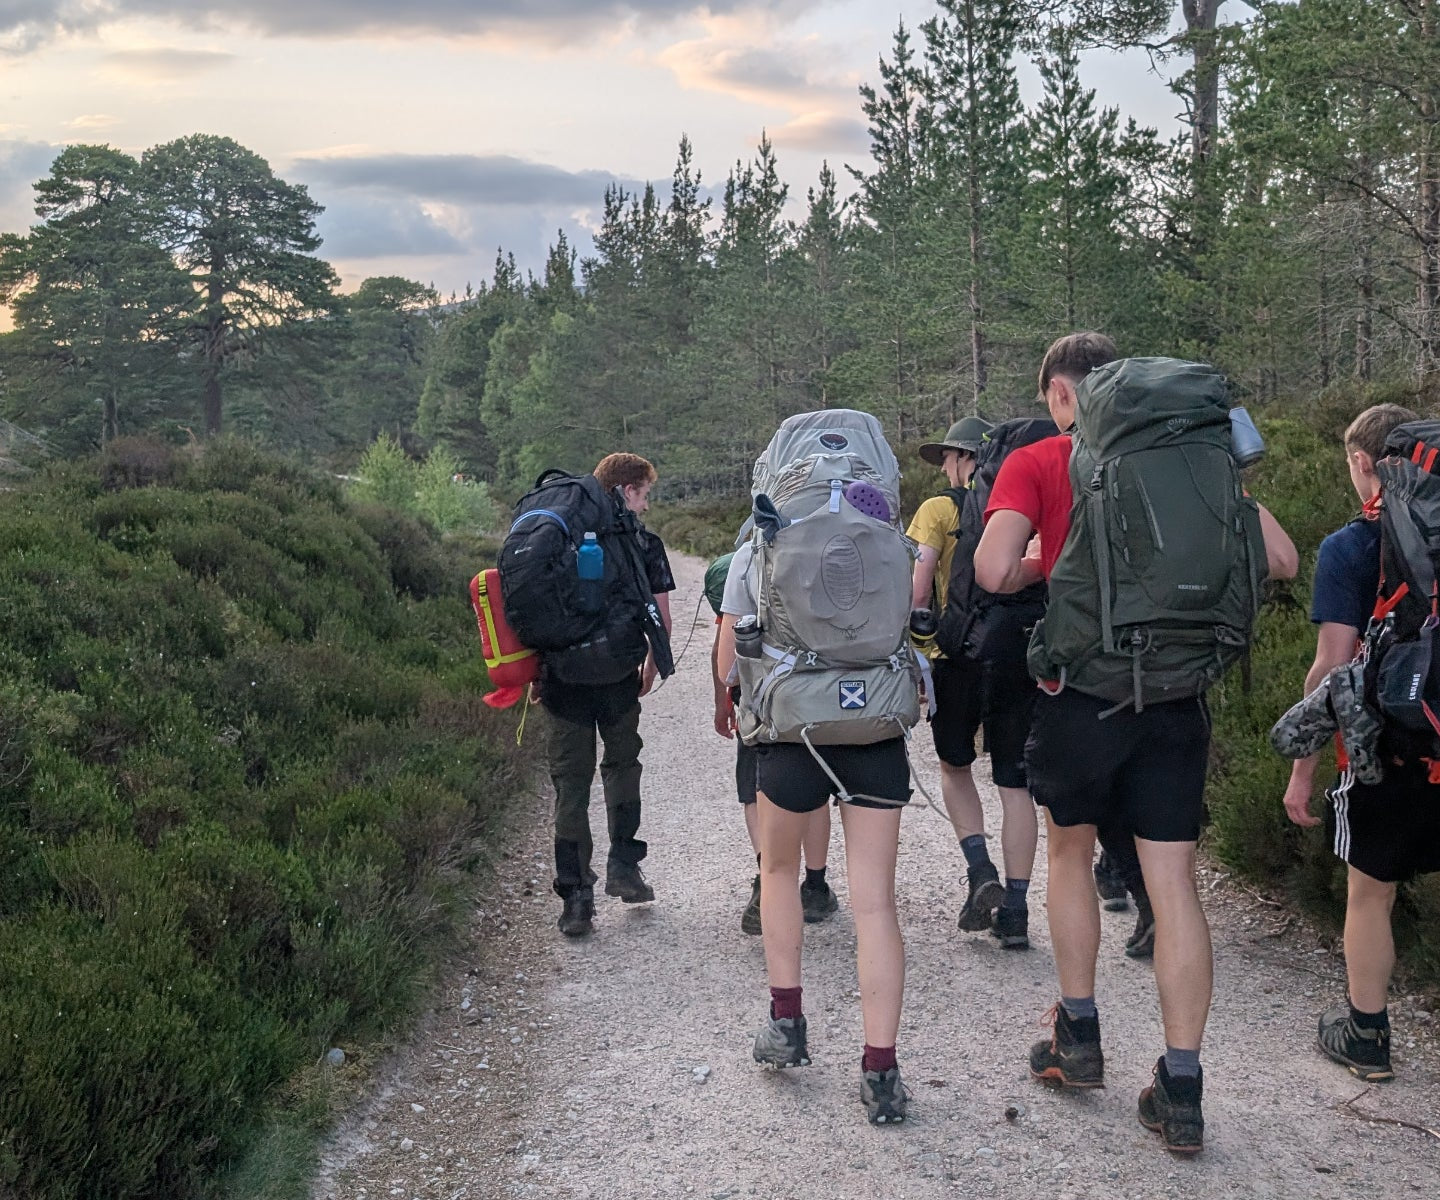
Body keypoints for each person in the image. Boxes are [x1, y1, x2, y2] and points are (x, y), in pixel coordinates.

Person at [974, 332, 1298, 1154]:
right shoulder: (1196, 460)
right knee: (1174, 883)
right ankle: (1181, 1089)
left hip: (1084, 696)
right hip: (1177, 697)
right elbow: (1284, 560)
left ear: (1062, 393)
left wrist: (1049, 566)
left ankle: (1078, 1038)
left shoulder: (1042, 459)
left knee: (1069, 853)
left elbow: (992, 570)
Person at [1280, 402, 1435, 1083]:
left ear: (1362, 462)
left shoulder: (1350, 546)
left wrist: (1303, 767)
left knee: (1371, 893)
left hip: (1386, 749)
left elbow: (1331, 667)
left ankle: (1366, 1035)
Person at [908, 416, 1039, 949]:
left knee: (954, 767)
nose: (943, 466)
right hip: (1020, 652)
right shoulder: (1028, 505)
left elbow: (919, 590)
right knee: (1014, 784)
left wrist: (919, 654)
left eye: (946, 456)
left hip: (956, 653)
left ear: (966, 459)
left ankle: (979, 868)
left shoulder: (938, 509)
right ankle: (1017, 909)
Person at [537, 452, 674, 937]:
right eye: (645, 494)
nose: (646, 505)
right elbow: (660, 618)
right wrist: (651, 666)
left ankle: (576, 898)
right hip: (618, 677)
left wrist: (535, 674)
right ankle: (624, 867)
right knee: (622, 766)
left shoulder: (554, 538)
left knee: (570, 786)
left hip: (561, 682)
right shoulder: (643, 542)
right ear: (628, 489)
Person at [705, 552, 838, 934]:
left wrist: (723, 701)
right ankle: (815, 888)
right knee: (814, 790)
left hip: (761, 699)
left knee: (755, 787)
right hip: (816, 695)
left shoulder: (747, 558)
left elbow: (725, 659)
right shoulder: (831, 547)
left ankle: (768, 876)